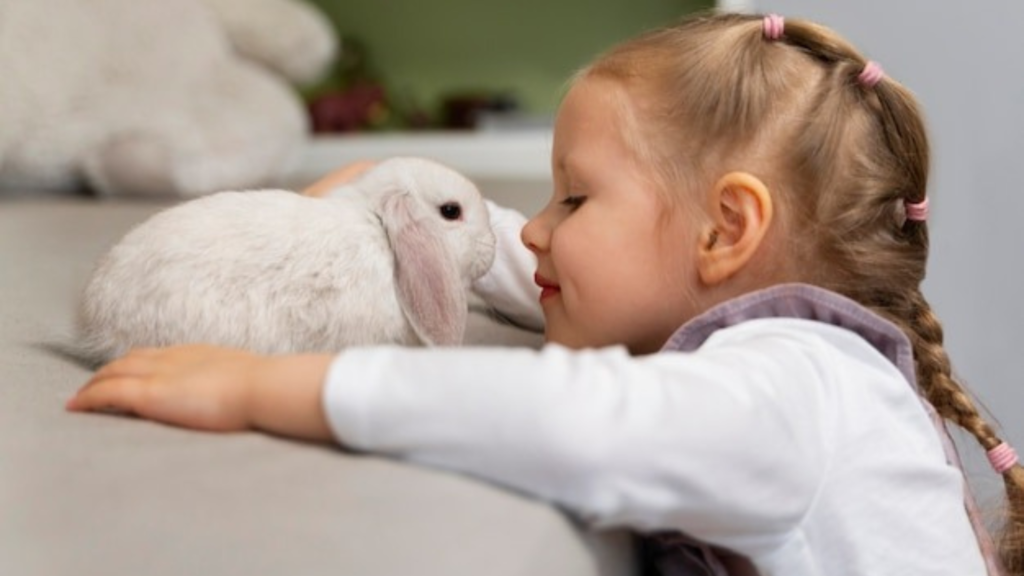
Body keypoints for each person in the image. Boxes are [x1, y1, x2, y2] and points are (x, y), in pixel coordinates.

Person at [66, 12, 1023, 576]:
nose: (536, 228)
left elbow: (581, 420)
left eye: (575, 195)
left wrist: (264, 390)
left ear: (726, 231)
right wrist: (395, 200)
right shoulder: (778, 350)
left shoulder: (793, 391)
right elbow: (571, 282)